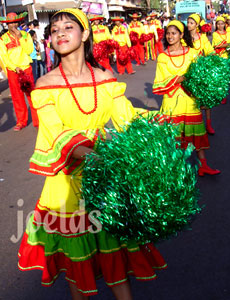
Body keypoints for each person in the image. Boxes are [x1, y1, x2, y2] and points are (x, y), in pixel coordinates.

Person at [17, 8, 167, 300]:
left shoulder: (105, 77)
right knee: (78, 264)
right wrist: (89, 154)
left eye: (68, 27)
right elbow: (53, 131)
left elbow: (125, 117)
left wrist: (155, 122)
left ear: (85, 34)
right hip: (67, 183)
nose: (59, 32)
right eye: (54, 29)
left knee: (115, 260)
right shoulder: (45, 85)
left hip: (106, 177)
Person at [153, 20, 220, 176]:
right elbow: (158, 83)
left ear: (181, 35)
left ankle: (203, 165)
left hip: (190, 101)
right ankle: (176, 171)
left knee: (197, 133)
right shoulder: (162, 57)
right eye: (168, 33)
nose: (170, 36)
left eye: (174, 33)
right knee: (174, 138)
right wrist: (179, 79)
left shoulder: (191, 53)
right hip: (172, 103)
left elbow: (199, 75)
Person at [0, 12, 38, 131]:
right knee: (17, 96)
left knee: (31, 95)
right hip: (13, 71)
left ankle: (37, 120)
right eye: (10, 23)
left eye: (15, 22)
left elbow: (29, 50)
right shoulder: (3, 38)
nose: (13, 25)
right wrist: (14, 67)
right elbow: (3, 57)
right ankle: (21, 121)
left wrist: (21, 38)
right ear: (7, 24)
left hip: (26, 67)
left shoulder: (25, 34)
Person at [187, 14, 216, 135]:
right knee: (192, 102)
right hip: (188, 73)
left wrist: (214, 61)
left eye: (191, 23)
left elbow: (210, 52)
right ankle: (195, 127)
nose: (188, 25)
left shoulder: (203, 38)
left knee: (205, 101)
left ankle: (208, 124)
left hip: (201, 73)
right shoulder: (184, 38)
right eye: (188, 22)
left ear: (197, 25)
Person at [212, 16, 230, 105]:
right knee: (223, 79)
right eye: (218, 24)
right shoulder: (215, 34)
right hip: (221, 59)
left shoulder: (228, 33)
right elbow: (217, 45)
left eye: (222, 24)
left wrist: (226, 45)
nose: (220, 26)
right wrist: (227, 44)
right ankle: (223, 97)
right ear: (216, 25)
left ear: (225, 24)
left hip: (229, 59)